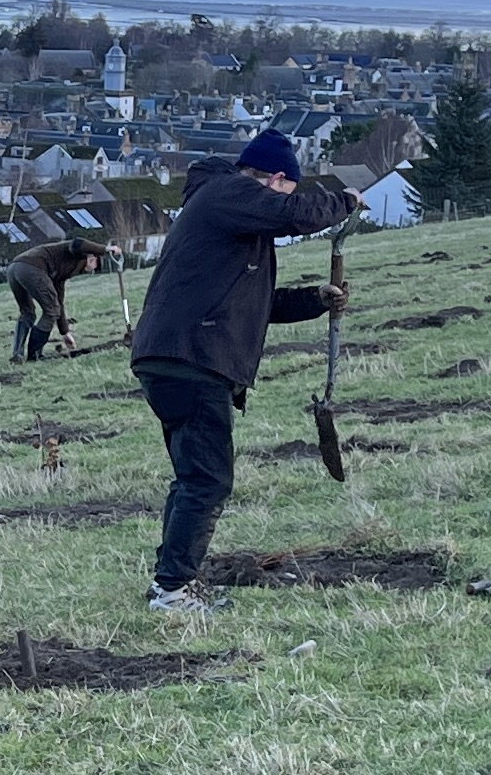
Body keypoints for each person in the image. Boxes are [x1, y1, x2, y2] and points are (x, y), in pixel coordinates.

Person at [128, 132, 353, 613]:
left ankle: (170, 582)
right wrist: (344, 203)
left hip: (177, 354)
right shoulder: (227, 192)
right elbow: (296, 214)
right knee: (207, 479)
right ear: (274, 180)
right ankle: (172, 590)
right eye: (285, 191)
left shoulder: (229, 221)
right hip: (192, 357)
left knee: (194, 476)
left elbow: (252, 306)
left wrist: (314, 300)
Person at [6, 236, 109, 362]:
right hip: (32, 268)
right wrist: (106, 249)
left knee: (28, 312)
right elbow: (77, 243)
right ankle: (34, 354)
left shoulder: (63, 270)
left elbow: (58, 303)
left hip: (14, 268)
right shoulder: (79, 254)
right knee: (50, 311)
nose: (92, 271)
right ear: (93, 259)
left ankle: (18, 355)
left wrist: (64, 332)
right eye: (96, 267)